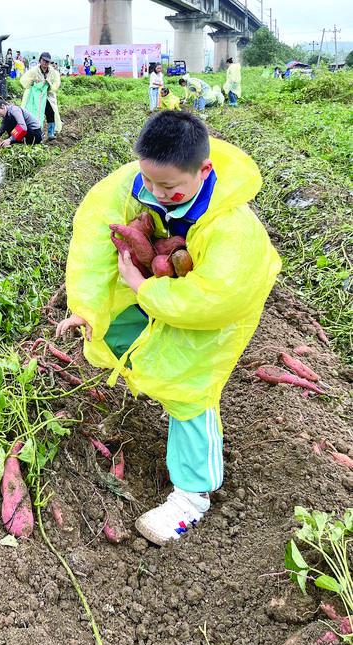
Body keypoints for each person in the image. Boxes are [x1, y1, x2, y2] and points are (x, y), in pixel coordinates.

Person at [57, 111, 280, 546]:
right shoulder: (134, 185)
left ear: (204, 170)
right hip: (155, 290)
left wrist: (144, 289)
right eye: (150, 182)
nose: (156, 193)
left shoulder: (234, 230)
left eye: (169, 187)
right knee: (123, 338)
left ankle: (193, 496)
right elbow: (92, 242)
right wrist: (87, 304)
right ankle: (162, 394)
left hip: (211, 315)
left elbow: (215, 298)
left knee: (191, 389)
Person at [21, 51, 62, 140]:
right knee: (36, 113)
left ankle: (51, 133)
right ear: (40, 60)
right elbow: (25, 80)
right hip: (36, 97)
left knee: (50, 112)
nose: (45, 63)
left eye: (47, 62)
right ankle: (37, 132)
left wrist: (49, 84)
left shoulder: (53, 72)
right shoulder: (34, 71)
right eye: (44, 61)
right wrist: (33, 81)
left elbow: (56, 84)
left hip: (47, 96)